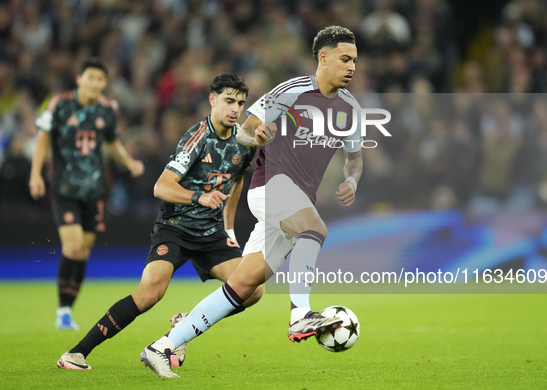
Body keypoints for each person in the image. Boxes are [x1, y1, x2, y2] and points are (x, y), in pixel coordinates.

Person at [141, 26, 364, 378]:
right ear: (323, 58)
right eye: (345, 59)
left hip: (297, 200)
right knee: (315, 228)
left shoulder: (351, 110)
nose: (352, 66)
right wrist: (256, 134)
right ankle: (300, 314)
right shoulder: (290, 92)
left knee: (245, 288)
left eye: (355, 60)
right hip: (270, 186)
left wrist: (351, 178)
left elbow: (355, 157)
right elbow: (245, 130)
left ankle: (164, 345)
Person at [56, 73, 262, 372]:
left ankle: (182, 328)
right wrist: (198, 197)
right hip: (176, 227)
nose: (235, 109)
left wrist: (228, 229)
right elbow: (161, 187)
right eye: (229, 101)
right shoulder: (197, 138)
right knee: (150, 293)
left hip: (211, 233)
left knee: (252, 289)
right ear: (212, 100)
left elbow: (237, 181)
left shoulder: (244, 142)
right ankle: (76, 354)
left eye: (241, 103)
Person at [30, 58, 144, 330]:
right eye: (90, 77)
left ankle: (67, 309)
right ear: (79, 79)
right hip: (65, 189)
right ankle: (63, 311)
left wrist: (129, 162)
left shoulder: (108, 109)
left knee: (83, 252)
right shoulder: (60, 103)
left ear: (105, 84)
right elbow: (43, 136)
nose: (95, 83)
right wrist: (35, 173)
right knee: (73, 246)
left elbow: (112, 142)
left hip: (95, 191)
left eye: (100, 79)